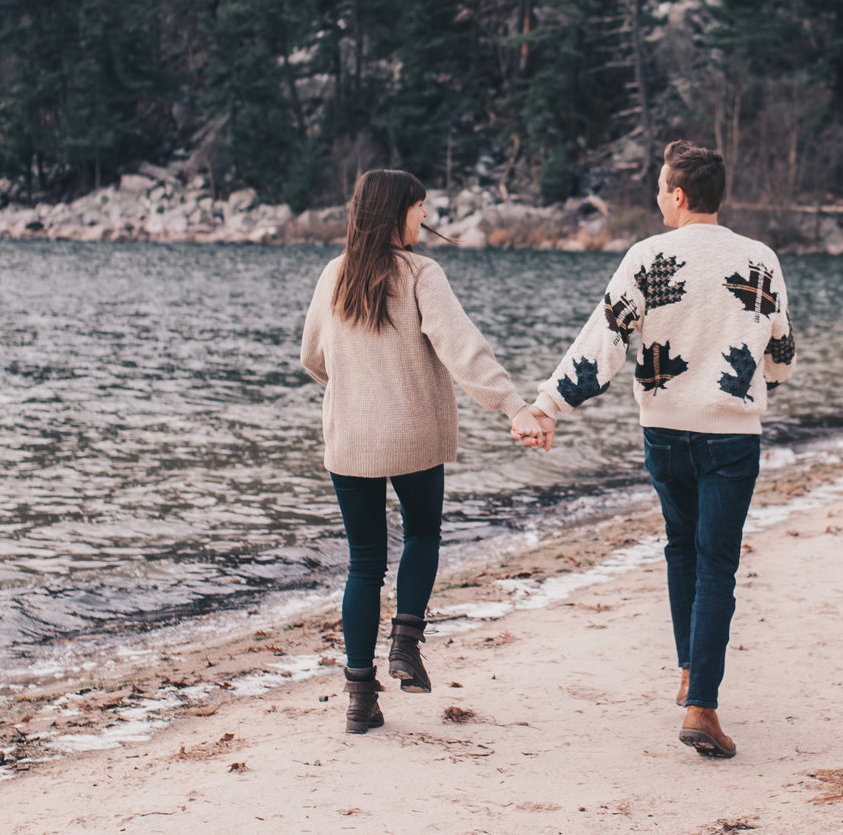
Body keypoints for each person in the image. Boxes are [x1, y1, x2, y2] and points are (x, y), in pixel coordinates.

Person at [525, 140, 793, 758]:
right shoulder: (761, 259)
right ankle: (702, 704)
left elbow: (604, 344)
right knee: (716, 561)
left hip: (665, 434)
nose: (656, 198)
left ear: (677, 195)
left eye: (659, 188)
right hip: (732, 435)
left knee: (681, 547)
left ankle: (687, 673)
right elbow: (780, 354)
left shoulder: (647, 257)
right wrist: (760, 382)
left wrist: (547, 406)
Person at [299, 168, 554, 734]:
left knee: (364, 564)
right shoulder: (420, 274)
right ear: (396, 212)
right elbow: (464, 351)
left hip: (352, 442)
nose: (425, 219)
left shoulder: (332, 276)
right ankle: (406, 643)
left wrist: (356, 390)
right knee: (422, 533)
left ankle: (360, 699)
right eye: (420, 208)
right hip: (414, 436)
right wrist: (514, 406)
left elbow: (312, 358)